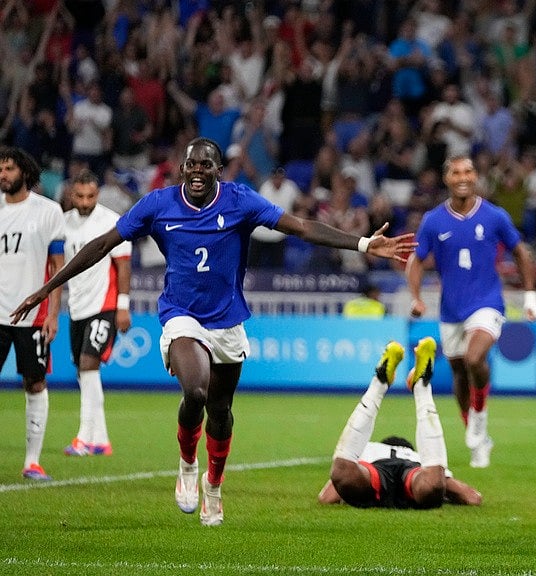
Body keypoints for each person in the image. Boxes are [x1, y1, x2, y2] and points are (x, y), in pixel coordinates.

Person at [10, 137, 416, 525]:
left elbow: (300, 227)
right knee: (197, 391)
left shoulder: (240, 200)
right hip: (181, 314)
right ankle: (188, 464)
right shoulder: (159, 204)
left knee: (220, 412)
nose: (198, 170)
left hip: (227, 320)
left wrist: (363, 245)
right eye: (191, 164)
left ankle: (214, 486)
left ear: (219, 170)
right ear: (183, 169)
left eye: (206, 164)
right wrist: (47, 289)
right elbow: (101, 245)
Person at [405, 154, 536, 469]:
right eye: (456, 172)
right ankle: (478, 438)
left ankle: (479, 417)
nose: (463, 177)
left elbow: (520, 251)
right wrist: (415, 297)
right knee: (458, 372)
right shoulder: (433, 220)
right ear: (447, 178)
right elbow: (416, 259)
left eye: (468, 171)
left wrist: (530, 295)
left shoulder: (494, 216)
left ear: (476, 176)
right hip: (451, 309)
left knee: (474, 358)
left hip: (488, 302)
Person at [317, 337, 482, 508]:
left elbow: (327, 497)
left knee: (344, 473)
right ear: (409, 449)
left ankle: (379, 384)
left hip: (373, 471)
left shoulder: (369, 449)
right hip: (412, 473)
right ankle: (421, 388)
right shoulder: (417, 456)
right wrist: (444, 493)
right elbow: (472, 497)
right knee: (432, 486)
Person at [0, 146, 66, 481]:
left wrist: (53, 314)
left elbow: (57, 269)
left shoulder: (49, 212)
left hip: (33, 315)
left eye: (9, 168)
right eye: (0, 169)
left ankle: (32, 461)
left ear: (24, 172)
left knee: (35, 383)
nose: (3, 174)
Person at [62, 170, 132, 457]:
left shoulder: (110, 222)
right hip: (77, 306)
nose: (85, 201)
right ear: (71, 195)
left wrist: (123, 306)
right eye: (80, 196)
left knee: (89, 363)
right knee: (83, 371)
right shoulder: (63, 224)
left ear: (97, 194)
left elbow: (124, 265)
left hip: (104, 305)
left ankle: (84, 438)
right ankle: (101, 439)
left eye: (91, 196)